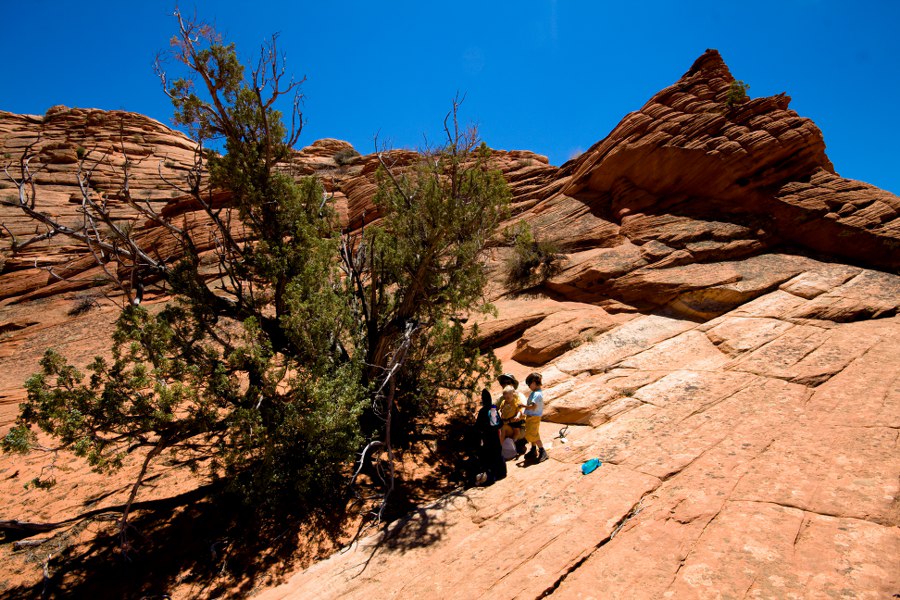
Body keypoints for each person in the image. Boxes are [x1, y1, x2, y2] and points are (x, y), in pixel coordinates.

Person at [474, 389, 506, 485]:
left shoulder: (483, 411)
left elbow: (477, 426)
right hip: (496, 437)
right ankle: (502, 473)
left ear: (483, 400)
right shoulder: (494, 409)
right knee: (498, 454)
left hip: (487, 438)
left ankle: (492, 477)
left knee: (489, 457)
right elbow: (500, 424)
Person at [523, 372, 548, 463]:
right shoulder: (534, 393)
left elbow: (533, 406)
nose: (529, 386)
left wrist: (523, 406)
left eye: (529, 384)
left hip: (534, 417)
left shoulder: (537, 394)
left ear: (534, 382)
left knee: (534, 435)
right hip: (531, 417)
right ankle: (533, 449)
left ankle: (542, 451)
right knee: (531, 433)